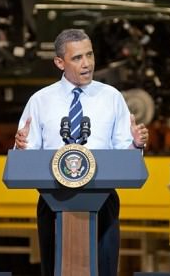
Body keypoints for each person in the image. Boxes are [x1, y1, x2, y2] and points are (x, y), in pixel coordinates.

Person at [14, 28, 149, 276]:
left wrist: (136, 145)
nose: (86, 64)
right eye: (77, 58)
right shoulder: (40, 101)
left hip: (103, 199)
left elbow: (124, 155)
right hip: (53, 200)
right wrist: (21, 149)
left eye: (90, 55)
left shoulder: (111, 98)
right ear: (59, 62)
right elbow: (25, 156)